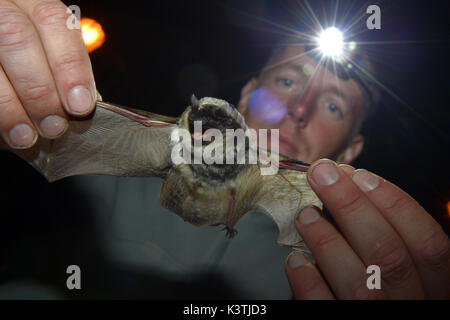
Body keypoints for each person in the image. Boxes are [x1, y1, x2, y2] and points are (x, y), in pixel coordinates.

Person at [0, 1, 448, 299]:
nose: (298, 109)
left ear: (350, 150)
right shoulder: (128, 162)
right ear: (249, 93)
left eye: (333, 104)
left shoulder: (332, 276)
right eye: (288, 81)